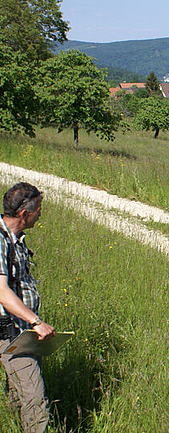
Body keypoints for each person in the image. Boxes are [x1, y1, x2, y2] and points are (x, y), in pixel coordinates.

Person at [0, 182, 56, 433]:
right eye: (38, 209)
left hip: (20, 331)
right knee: (35, 401)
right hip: (10, 332)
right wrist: (35, 322)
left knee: (18, 395)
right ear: (25, 214)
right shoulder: (0, 240)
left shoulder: (16, 239)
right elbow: (1, 291)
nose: (41, 213)